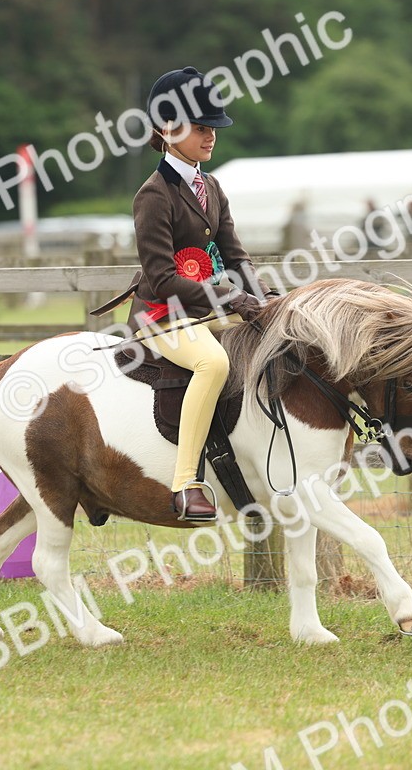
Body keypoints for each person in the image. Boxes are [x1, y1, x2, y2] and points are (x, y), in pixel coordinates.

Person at [96, 67, 275, 521]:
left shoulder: (211, 187)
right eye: (200, 127)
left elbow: (236, 255)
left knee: (275, 337)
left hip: (205, 308)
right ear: (167, 129)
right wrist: (230, 298)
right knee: (212, 362)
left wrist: (264, 296)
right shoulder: (153, 195)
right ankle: (186, 484)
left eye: (212, 126)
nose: (210, 135)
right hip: (163, 316)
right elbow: (160, 277)